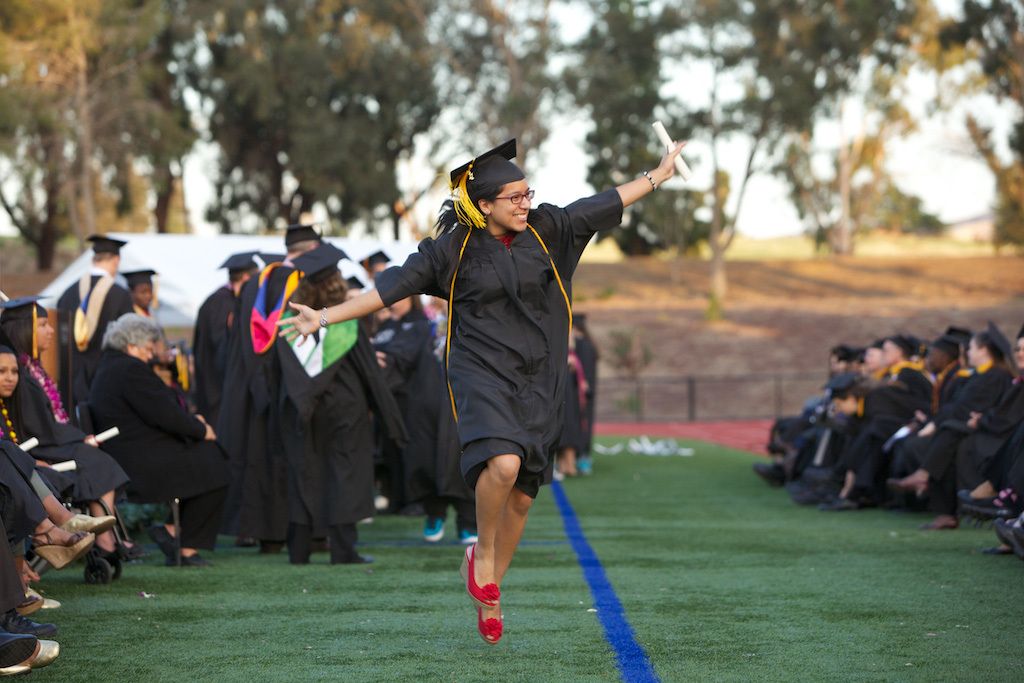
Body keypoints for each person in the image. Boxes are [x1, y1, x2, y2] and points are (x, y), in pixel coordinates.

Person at [279, 137, 686, 644]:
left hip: (540, 377)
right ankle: (484, 554)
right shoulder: (451, 251)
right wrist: (324, 316)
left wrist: (656, 176)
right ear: (484, 204)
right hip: (482, 372)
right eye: (514, 197)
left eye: (527, 193)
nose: (525, 203)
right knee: (504, 463)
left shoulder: (547, 230)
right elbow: (389, 289)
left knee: (523, 498)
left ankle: (490, 588)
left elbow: (601, 203)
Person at [276, 243, 406, 564]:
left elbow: (279, 374)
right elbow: (370, 372)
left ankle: (299, 549)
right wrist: (392, 420)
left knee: (304, 473)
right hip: (346, 411)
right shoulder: (345, 321)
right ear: (337, 283)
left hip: (302, 409)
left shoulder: (290, 322)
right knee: (345, 474)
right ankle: (344, 550)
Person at [89, 315, 230, 566]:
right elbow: (166, 414)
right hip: (138, 461)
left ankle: (172, 531)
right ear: (131, 346)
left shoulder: (111, 366)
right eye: (147, 348)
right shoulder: (130, 369)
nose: (150, 354)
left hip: (129, 452)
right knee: (215, 461)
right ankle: (184, 545)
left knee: (208, 460)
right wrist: (201, 429)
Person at [217, 226, 321, 550]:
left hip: (253, 386)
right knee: (297, 456)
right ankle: (309, 533)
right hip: (290, 385)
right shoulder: (306, 283)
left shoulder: (254, 285)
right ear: (312, 249)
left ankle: (266, 535)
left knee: (259, 458)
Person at [0, 296, 128, 558]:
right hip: (37, 447)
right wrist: (80, 439)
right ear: (25, 329)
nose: (50, 331)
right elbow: (40, 427)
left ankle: (97, 537)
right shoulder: (23, 375)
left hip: (29, 449)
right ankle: (99, 540)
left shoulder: (30, 370)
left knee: (94, 459)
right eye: (43, 325)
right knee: (92, 459)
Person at [372, 293, 475, 543]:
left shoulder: (475, 327)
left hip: (465, 405)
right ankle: (434, 512)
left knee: (465, 461)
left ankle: (468, 521)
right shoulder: (422, 327)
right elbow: (400, 358)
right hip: (425, 405)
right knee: (426, 459)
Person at [55, 235, 134, 409]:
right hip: (107, 381)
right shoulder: (121, 295)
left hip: (71, 381)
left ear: (93, 260)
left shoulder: (68, 294)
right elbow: (130, 341)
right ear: (116, 260)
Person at [192, 252, 259, 427]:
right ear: (246, 278)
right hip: (217, 389)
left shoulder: (219, 300)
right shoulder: (223, 303)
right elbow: (222, 348)